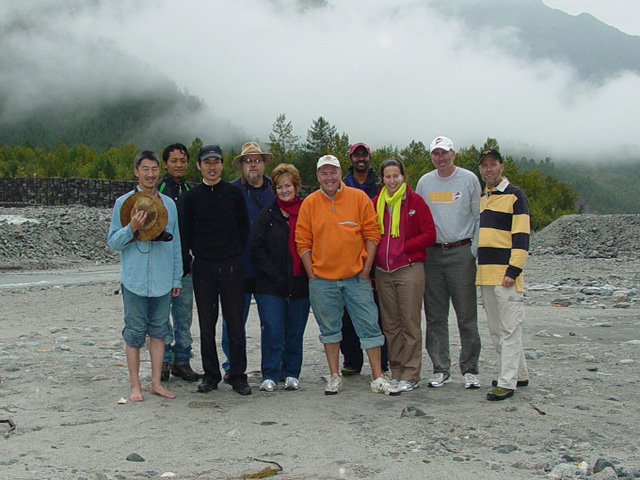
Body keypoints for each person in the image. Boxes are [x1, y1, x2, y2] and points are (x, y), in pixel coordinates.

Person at [296, 154, 401, 396]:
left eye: (333, 172)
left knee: (370, 327)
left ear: (341, 173)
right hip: (322, 281)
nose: (329, 177)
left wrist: (365, 270)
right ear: (318, 176)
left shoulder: (358, 197)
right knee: (330, 330)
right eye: (324, 172)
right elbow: (302, 241)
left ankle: (378, 377)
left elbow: (372, 233)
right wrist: (312, 273)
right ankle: (334, 376)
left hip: (356, 279)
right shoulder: (310, 203)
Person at [107, 150, 182, 402]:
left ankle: (156, 383)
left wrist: (176, 279)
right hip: (134, 280)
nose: (150, 174)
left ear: (158, 172)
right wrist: (132, 228)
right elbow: (114, 243)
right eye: (145, 169)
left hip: (162, 280)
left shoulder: (169, 204)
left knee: (159, 332)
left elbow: (176, 245)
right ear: (136, 171)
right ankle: (135, 386)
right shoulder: (123, 203)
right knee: (134, 333)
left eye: (154, 169)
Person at [182, 145, 252, 396]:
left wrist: (232, 253)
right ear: (199, 166)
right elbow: (186, 231)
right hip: (203, 266)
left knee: (234, 322)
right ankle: (211, 374)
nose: (212, 167)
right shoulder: (192, 197)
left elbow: (244, 229)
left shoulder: (234, 193)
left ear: (222, 165)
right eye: (207, 162)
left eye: (216, 162)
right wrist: (194, 257)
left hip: (232, 264)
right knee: (206, 324)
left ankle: (238, 374)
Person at [415, 135, 482, 389]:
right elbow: (418, 217)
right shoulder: (425, 182)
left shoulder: (468, 180)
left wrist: (473, 250)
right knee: (435, 315)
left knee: (466, 315)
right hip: (432, 254)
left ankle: (470, 368)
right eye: (436, 154)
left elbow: (478, 216)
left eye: (444, 153)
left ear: (453, 153)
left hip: (461, 251)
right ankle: (441, 368)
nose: (440, 158)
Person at [373, 158, 436, 392]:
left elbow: (430, 234)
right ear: (382, 179)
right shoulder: (375, 202)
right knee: (390, 324)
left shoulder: (415, 202)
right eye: (387, 176)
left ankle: (411, 373)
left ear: (403, 177)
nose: (392, 180)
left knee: (410, 323)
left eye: (395, 176)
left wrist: (405, 246)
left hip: (409, 268)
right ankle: (397, 370)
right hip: (383, 271)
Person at [476, 149, 531, 401]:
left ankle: (506, 382)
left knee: (510, 328)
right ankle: (519, 373)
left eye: (493, 165)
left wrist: (513, 270)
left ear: (501, 166)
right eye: (484, 165)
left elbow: (521, 236)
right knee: (497, 329)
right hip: (486, 274)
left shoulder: (515, 196)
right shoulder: (483, 197)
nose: (489, 169)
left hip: (505, 275)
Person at [250, 164, 310, 392]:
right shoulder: (267, 214)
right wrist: (273, 273)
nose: (284, 190)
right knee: (273, 329)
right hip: (270, 285)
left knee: (295, 330)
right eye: (279, 186)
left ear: (296, 186)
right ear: (274, 190)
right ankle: (270, 373)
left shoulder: (308, 210)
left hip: (300, 282)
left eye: (288, 185)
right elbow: (256, 249)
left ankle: (292, 372)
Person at [220, 142, 275, 379]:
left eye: (257, 160)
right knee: (232, 323)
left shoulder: (276, 191)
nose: (252, 165)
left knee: (272, 323)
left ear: (264, 164)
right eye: (247, 161)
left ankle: (273, 369)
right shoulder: (229, 191)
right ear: (241, 165)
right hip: (237, 268)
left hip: (267, 270)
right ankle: (233, 366)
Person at [340, 141, 387, 376]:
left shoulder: (380, 185)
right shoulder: (341, 185)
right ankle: (352, 360)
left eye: (364, 155)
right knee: (347, 312)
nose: (360, 158)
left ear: (369, 158)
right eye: (356, 155)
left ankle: (383, 363)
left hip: (376, 253)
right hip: (347, 255)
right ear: (350, 159)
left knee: (379, 310)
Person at [156, 143, 200, 382]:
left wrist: (193, 257)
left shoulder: (190, 190)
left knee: (183, 316)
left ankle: (182, 360)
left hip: (185, 265)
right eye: (174, 160)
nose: (179, 165)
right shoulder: (159, 190)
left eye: (182, 160)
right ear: (165, 164)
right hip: (163, 266)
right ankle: (163, 361)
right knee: (162, 316)